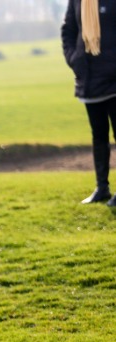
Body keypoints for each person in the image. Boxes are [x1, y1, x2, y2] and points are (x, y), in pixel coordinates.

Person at [62, 0, 116, 205]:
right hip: (89, 79)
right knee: (99, 136)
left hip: (113, 81)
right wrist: (74, 58)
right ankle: (102, 188)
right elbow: (68, 30)